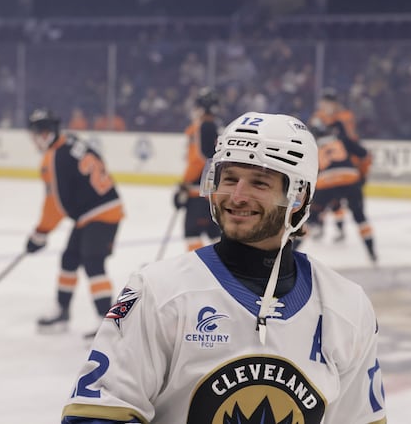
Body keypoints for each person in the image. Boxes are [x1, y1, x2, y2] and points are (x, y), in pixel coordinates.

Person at [61, 112, 387, 423]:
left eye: (259, 183)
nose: (237, 196)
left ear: (298, 196)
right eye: (229, 179)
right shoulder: (157, 293)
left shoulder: (347, 307)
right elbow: (97, 415)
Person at [23, 109, 124, 337]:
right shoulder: (71, 142)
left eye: (36, 135)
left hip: (101, 214)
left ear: (45, 134)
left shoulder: (54, 157)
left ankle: (108, 323)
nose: (34, 141)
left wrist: (41, 232)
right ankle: (62, 311)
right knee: (69, 259)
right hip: (92, 212)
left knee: (93, 263)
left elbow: (55, 204)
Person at [307, 120, 378, 263]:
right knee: (360, 217)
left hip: (326, 182)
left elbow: (310, 173)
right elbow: (365, 155)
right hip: (350, 178)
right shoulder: (342, 140)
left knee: (310, 220)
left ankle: (288, 253)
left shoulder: (312, 147)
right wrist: (362, 176)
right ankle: (371, 252)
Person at [310, 88, 372, 241]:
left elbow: (350, 139)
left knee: (337, 200)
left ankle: (338, 228)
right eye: (325, 102)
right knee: (325, 198)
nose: (327, 105)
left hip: (344, 160)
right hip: (324, 162)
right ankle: (319, 226)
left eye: (330, 102)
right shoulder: (317, 118)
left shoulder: (344, 117)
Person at [173, 87, 222, 252]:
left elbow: (199, 159)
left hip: (197, 193)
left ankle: (199, 267)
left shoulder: (202, 127)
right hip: (212, 192)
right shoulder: (216, 127)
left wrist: (185, 182)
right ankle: (221, 266)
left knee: (192, 234)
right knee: (215, 234)